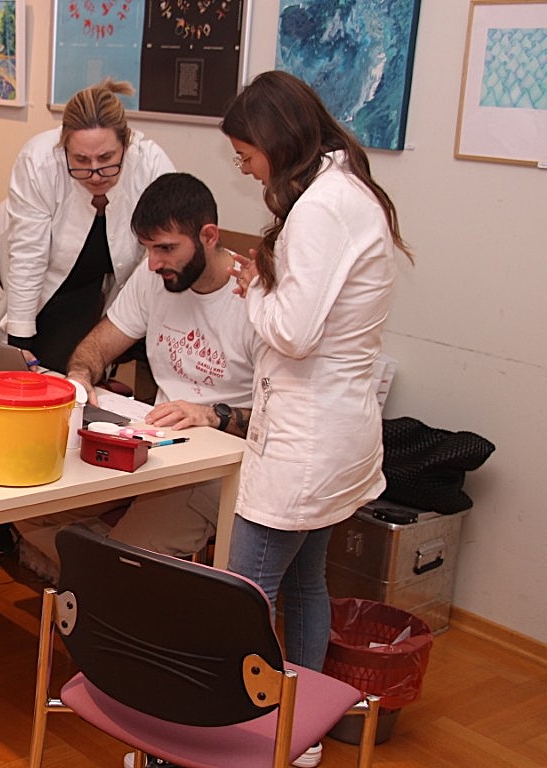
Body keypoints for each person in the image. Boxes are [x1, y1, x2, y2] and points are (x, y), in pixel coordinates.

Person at [221, 71, 411, 768]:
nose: (246, 171)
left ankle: (242, 738)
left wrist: (253, 290)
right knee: (305, 585)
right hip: (335, 432)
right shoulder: (349, 191)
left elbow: (294, 334)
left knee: (245, 598)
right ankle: (298, 737)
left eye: (247, 156)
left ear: (275, 142)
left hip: (306, 441)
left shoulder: (321, 207)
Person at [64, 172, 257, 559]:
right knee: (27, 510)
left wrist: (210, 415)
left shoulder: (254, 298)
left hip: (219, 464)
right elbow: (98, 346)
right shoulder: (155, 277)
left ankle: (106, 570)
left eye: (166, 248)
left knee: (117, 560)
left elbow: (282, 418)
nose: (154, 263)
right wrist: (80, 377)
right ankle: (99, 571)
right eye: (147, 248)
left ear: (208, 236)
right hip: (154, 446)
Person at [3, 78, 176, 373]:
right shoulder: (39, 161)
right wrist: (18, 341)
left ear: (126, 144)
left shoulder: (150, 164)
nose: (95, 174)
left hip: (94, 290)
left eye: (106, 158)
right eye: (81, 160)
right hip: (37, 282)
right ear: (64, 148)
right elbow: (28, 256)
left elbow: (167, 245)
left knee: (75, 370)